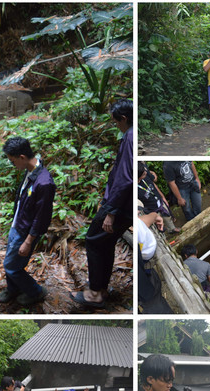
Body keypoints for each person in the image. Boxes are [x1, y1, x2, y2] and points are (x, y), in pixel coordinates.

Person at [71, 99, 133, 308]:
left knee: (95, 240)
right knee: (105, 241)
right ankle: (102, 288)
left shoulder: (130, 138)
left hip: (121, 205)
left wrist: (111, 211)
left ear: (123, 119)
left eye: (115, 121)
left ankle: (95, 293)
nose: (115, 124)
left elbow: (125, 178)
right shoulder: (133, 135)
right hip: (124, 203)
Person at [0, 137, 56, 306]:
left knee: (11, 266)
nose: (12, 164)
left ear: (22, 157)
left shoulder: (44, 183)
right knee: (12, 261)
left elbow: (42, 217)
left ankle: (36, 292)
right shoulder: (31, 170)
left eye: (12, 161)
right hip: (18, 224)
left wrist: (28, 241)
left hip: (25, 232)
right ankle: (13, 288)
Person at [138, 162, 179, 234]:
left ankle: (172, 229)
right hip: (151, 210)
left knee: (167, 217)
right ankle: (164, 238)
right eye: (144, 172)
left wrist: (163, 197)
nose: (146, 171)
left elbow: (154, 184)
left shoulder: (146, 176)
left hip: (160, 202)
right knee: (159, 226)